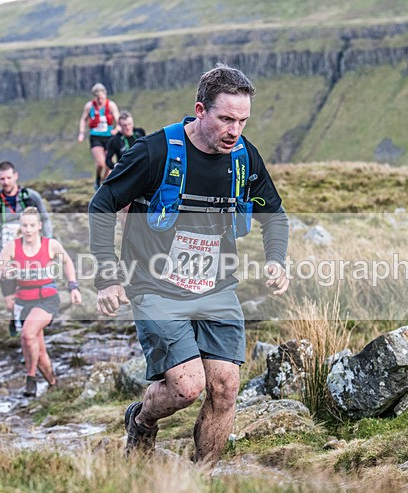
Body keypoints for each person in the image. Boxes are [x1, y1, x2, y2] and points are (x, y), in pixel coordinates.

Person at [88, 64, 290, 465]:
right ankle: (142, 421)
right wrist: (108, 278)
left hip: (215, 289)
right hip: (155, 286)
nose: (235, 130)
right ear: (201, 110)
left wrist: (276, 260)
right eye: (226, 119)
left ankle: (203, 484)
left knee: (226, 386)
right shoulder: (154, 152)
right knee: (187, 387)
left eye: (243, 120)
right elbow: (102, 204)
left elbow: (274, 213)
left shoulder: (244, 158)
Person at [0, 207, 82, 397]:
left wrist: (73, 287)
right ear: (21, 226)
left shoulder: (50, 245)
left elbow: (67, 262)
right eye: (24, 225)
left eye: (32, 225)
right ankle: (53, 383)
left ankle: (30, 378)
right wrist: (4, 271)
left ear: (39, 226)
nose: (28, 230)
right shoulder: (12, 246)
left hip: (47, 300)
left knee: (27, 335)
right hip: (24, 301)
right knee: (37, 349)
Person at [0, 161, 53, 335]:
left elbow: (46, 219)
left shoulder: (31, 197)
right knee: (10, 299)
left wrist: (47, 242)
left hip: (32, 253)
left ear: (16, 176)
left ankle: (33, 330)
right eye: (2, 179)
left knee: (32, 291)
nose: (6, 182)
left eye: (9, 178)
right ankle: (17, 321)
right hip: (5, 255)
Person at [77, 83, 121, 190]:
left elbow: (118, 119)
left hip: (109, 136)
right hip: (95, 137)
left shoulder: (111, 105)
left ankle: (102, 182)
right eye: (97, 98)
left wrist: (117, 129)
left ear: (105, 95)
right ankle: (113, 174)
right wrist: (81, 133)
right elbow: (83, 119)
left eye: (102, 98)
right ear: (94, 97)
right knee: (102, 161)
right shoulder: (89, 106)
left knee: (104, 162)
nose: (100, 101)